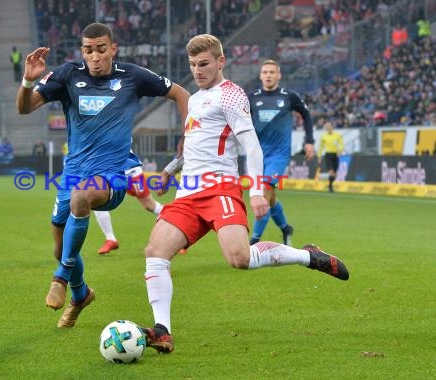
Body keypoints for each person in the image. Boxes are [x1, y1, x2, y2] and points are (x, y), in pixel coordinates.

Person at [141, 34, 349, 354]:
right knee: (155, 252)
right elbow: (195, 146)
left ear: (220, 62)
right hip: (187, 195)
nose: (197, 71)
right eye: (193, 65)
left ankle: (308, 255)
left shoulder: (231, 95)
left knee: (239, 258)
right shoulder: (195, 100)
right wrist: (170, 170)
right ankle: (162, 330)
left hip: (220, 189)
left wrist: (254, 191)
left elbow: (251, 146)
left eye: (204, 64)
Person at [16, 23, 189, 328]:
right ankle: (81, 294)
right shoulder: (68, 75)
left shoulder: (132, 76)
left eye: (100, 49)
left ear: (113, 48)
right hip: (72, 173)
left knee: (82, 198)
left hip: (113, 173)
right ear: (81, 50)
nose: (94, 56)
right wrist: (28, 82)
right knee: (59, 246)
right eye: (88, 50)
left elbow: (180, 92)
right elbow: (25, 108)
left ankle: (61, 278)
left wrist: (188, 131)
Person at [247, 59, 315, 246]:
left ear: (279, 75)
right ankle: (286, 228)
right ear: (260, 75)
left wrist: (309, 141)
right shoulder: (251, 97)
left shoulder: (289, 96)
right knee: (271, 199)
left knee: (264, 192)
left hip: (279, 154)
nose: (268, 75)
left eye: (272, 72)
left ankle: (253, 241)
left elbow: (306, 115)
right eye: (265, 72)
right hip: (257, 155)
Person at [94, 165, 165, 254]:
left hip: (131, 172)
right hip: (111, 173)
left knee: (149, 205)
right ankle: (110, 239)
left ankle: (177, 222)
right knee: (98, 201)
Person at [318, 122, 344, 193]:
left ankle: (330, 185)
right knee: (331, 172)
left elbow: (341, 144)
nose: (327, 128)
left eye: (329, 126)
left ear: (332, 127)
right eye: (326, 127)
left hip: (335, 155)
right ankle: (330, 188)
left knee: (335, 174)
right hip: (328, 155)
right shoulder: (324, 136)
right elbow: (321, 147)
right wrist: (319, 156)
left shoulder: (337, 135)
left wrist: (340, 151)